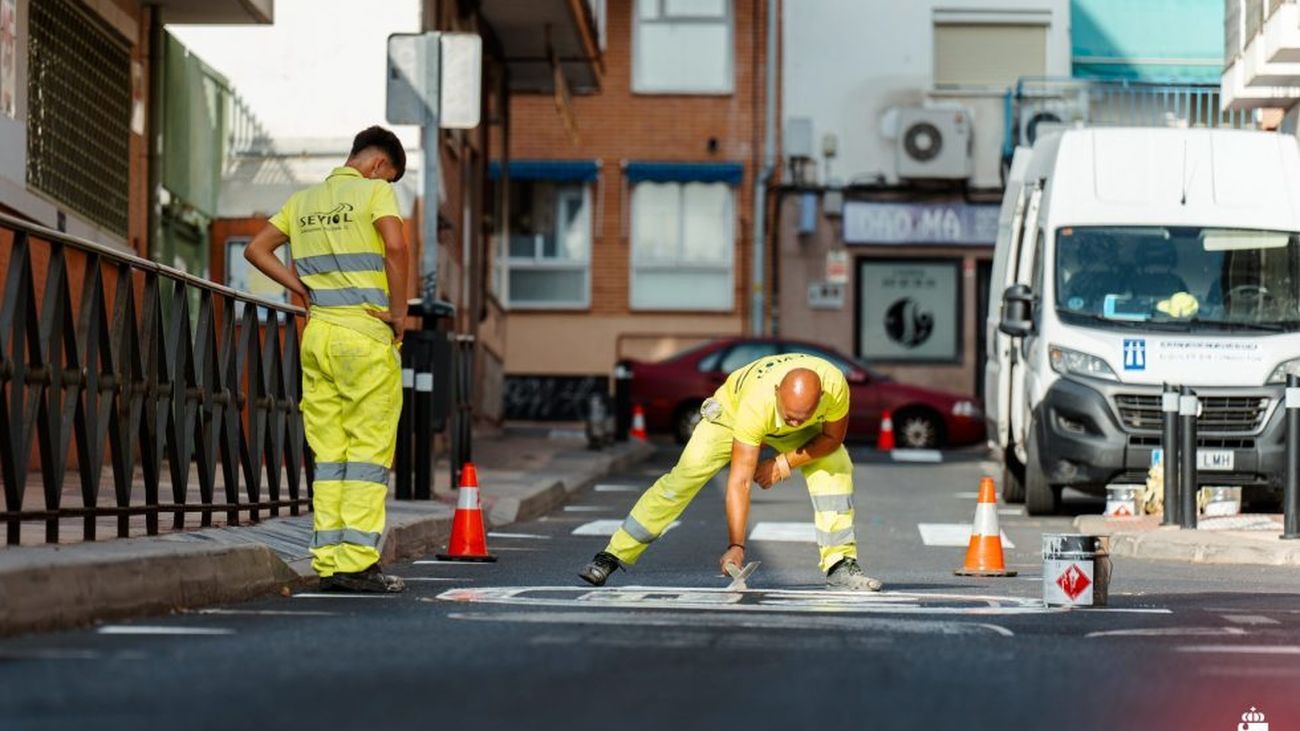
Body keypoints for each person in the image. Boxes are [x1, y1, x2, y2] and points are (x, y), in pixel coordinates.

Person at [243, 126, 410, 593]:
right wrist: (399, 312)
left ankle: (330, 558)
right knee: (367, 453)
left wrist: (300, 288)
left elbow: (256, 249)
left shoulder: (302, 202)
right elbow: (396, 246)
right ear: (380, 165)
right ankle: (357, 562)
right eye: (391, 177)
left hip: (318, 337)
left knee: (331, 452)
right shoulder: (375, 192)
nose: (387, 184)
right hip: (364, 335)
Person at [579, 353, 883, 592]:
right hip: (731, 416)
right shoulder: (757, 404)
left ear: (819, 401)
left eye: (802, 417)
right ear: (778, 393)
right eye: (790, 416)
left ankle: (840, 564)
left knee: (836, 464)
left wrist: (783, 463)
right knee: (685, 475)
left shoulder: (834, 388)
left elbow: (832, 439)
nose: (794, 423)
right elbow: (740, 480)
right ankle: (612, 555)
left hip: (790, 427)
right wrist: (736, 546)